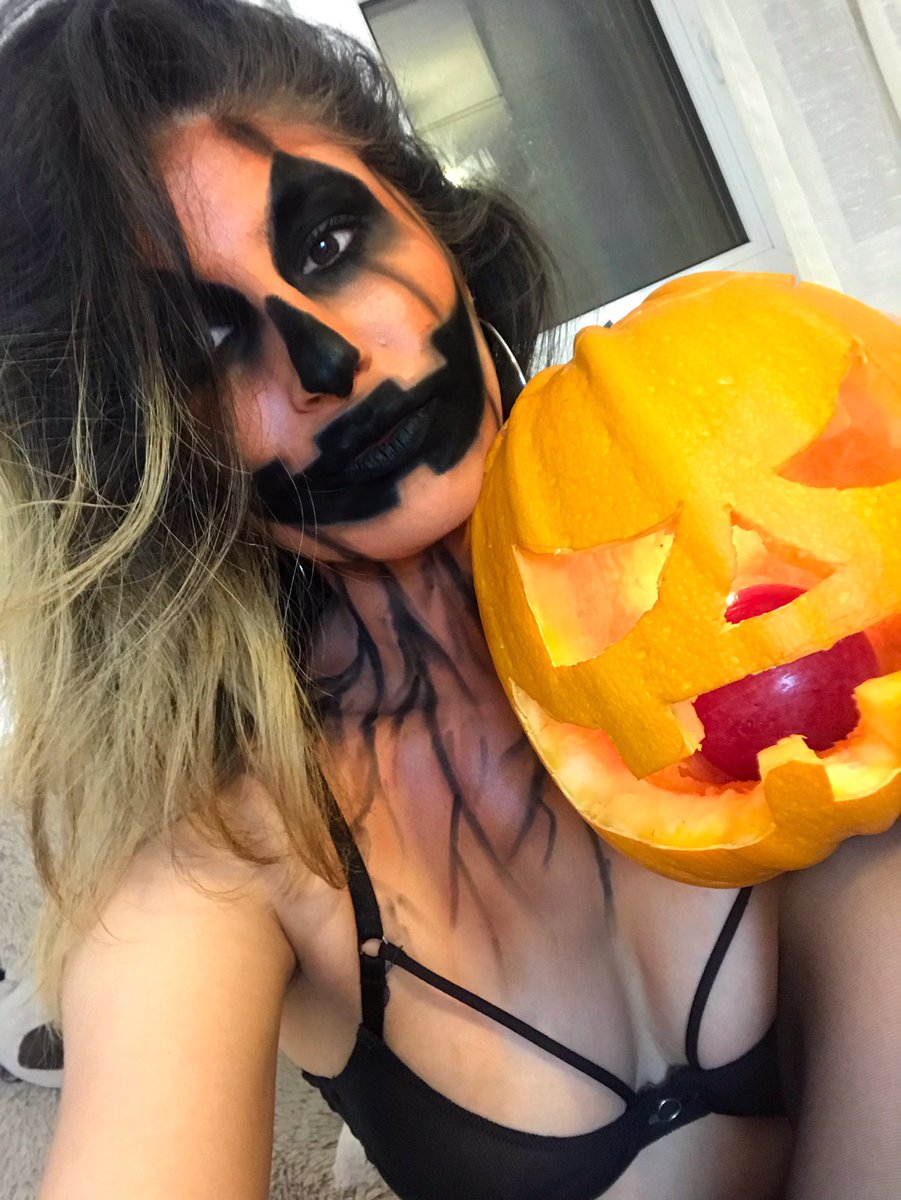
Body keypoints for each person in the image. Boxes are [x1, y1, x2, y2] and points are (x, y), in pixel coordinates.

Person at [0, 1, 899, 1198]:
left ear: (433, 226)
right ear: (138, 458)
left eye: (328, 243)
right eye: (202, 347)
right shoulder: (224, 854)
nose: (328, 363)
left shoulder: (755, 524)